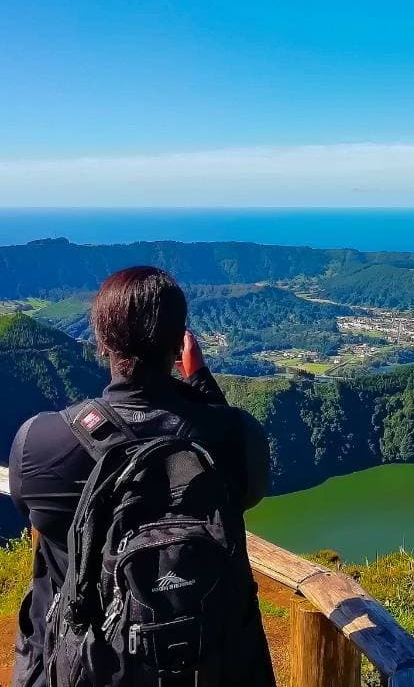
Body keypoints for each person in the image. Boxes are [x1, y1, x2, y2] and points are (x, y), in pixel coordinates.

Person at [9, 266, 276, 686]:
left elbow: (32, 511)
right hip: (211, 666)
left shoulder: (40, 442)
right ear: (178, 344)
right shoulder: (235, 439)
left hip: (89, 667)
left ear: (101, 343)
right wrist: (201, 383)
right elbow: (245, 484)